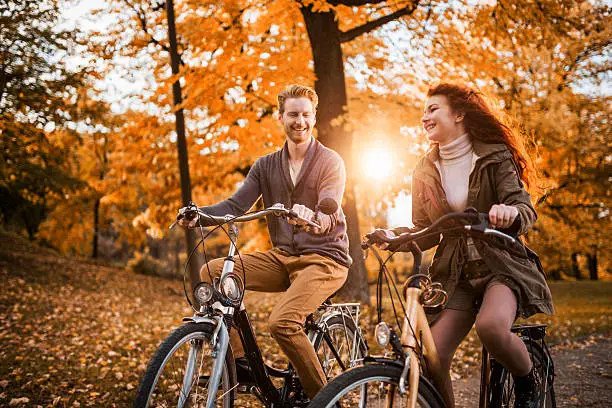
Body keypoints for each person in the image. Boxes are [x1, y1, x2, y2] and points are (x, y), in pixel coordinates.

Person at [368, 83, 554, 408]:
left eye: (433, 109)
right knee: (433, 355)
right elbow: (425, 232)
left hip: (500, 264)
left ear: (458, 114)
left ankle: (530, 379)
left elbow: (523, 207)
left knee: (491, 327)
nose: (424, 117)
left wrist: (509, 213)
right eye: (423, 111)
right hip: (456, 273)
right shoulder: (424, 169)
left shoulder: (494, 155)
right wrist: (394, 236)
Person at [178, 84, 351, 401]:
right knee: (214, 271)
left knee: (283, 323)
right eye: (293, 114)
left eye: (305, 115)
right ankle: (242, 362)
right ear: (281, 117)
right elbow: (234, 206)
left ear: (313, 117)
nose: (299, 121)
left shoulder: (330, 161)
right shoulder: (266, 165)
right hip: (282, 256)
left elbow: (330, 203)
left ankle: (325, 400)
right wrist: (198, 215)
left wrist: (316, 216)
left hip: (325, 259)